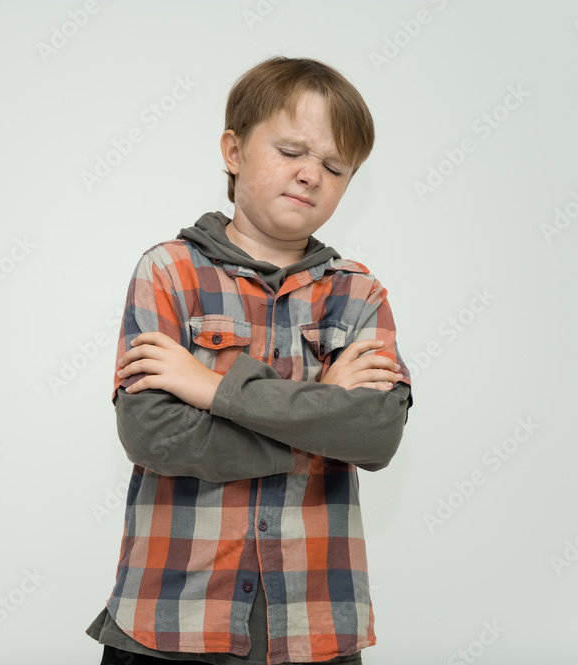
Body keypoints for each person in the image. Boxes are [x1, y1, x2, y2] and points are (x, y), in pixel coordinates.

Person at [86, 56, 414, 665]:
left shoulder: (360, 294)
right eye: (292, 150)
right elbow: (153, 435)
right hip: (169, 623)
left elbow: (376, 434)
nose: (311, 175)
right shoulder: (168, 272)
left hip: (316, 628)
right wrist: (321, 416)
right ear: (233, 152)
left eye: (335, 166)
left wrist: (210, 389)